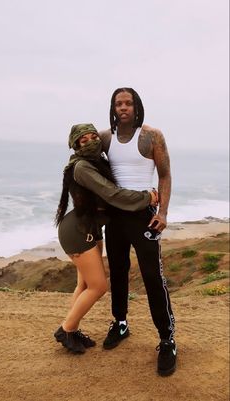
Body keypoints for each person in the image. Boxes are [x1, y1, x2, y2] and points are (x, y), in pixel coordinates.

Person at [54, 123, 158, 355]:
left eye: (94, 136)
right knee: (99, 286)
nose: (91, 141)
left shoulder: (96, 162)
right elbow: (111, 193)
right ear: (76, 145)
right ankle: (65, 329)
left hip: (89, 228)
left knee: (84, 284)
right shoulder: (82, 167)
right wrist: (147, 197)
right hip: (78, 232)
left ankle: (72, 328)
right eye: (84, 140)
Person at [99, 87, 177, 376]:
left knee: (152, 276)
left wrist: (163, 212)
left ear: (136, 106)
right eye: (118, 103)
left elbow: (165, 173)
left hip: (144, 216)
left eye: (128, 103)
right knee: (117, 271)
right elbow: (91, 169)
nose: (123, 108)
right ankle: (120, 323)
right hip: (115, 216)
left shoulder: (151, 136)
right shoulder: (105, 138)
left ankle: (167, 338)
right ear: (113, 107)